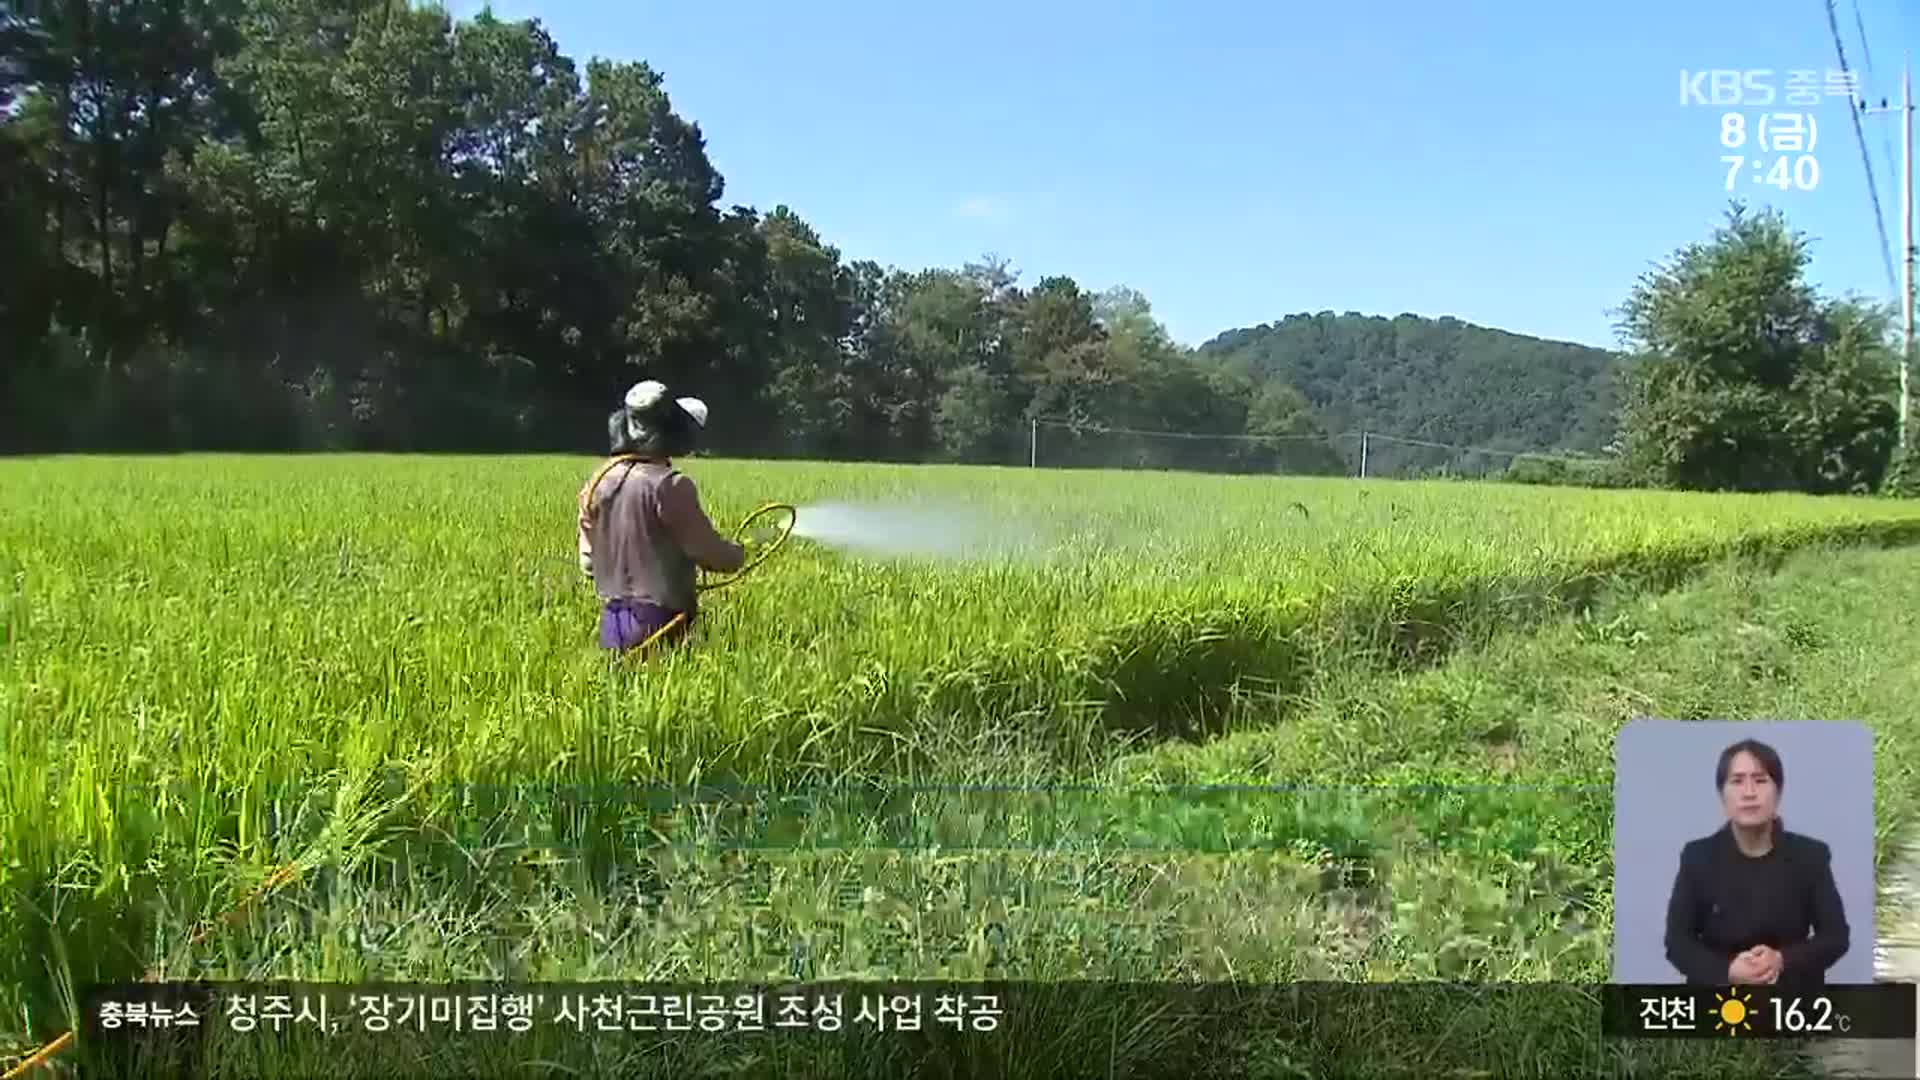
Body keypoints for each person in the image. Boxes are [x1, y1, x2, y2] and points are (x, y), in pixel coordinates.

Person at [1663, 738, 1849, 988]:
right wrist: (1727, 971)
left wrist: (1782, 960)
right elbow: (1677, 943)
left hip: (1791, 1005)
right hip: (1717, 1003)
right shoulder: (1698, 857)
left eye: (1760, 780)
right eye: (1737, 781)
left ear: (1778, 792)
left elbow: (1835, 937)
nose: (1749, 793)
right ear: (1722, 794)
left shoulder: (1810, 856)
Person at [576, 380, 746, 653]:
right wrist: (738, 554)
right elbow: (707, 552)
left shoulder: (600, 481)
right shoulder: (670, 485)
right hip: (662, 625)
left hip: (612, 625)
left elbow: (587, 558)